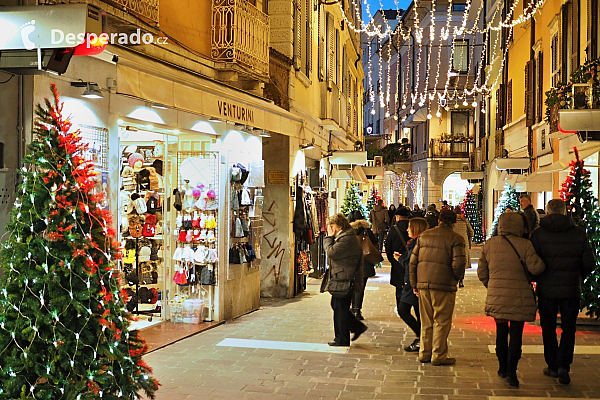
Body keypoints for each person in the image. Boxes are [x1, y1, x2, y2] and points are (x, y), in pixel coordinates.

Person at [530, 199, 595, 384]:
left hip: (547, 290)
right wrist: (577, 275)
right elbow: (590, 262)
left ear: (548, 213)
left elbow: (533, 263)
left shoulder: (538, 234)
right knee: (569, 328)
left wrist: (540, 277)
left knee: (548, 328)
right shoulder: (579, 233)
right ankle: (563, 365)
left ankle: (552, 365)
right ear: (565, 212)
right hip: (571, 289)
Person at [478, 212, 545, 387]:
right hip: (519, 297)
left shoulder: (490, 244)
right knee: (516, 335)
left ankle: (502, 368)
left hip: (498, 296)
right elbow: (536, 268)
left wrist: (493, 287)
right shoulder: (525, 245)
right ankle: (512, 373)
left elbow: (482, 273)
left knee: (501, 333)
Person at [409, 209, 466, 366]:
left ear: (439, 220)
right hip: (443, 285)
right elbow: (459, 264)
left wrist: (415, 284)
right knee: (441, 320)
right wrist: (455, 279)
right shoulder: (456, 238)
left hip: (423, 284)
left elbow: (413, 262)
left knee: (426, 320)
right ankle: (438, 355)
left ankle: (424, 353)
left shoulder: (424, 236)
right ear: (453, 223)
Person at [322, 213, 368, 347]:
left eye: (332, 226)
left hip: (345, 278)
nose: (329, 228)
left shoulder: (347, 238)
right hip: (342, 276)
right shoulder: (345, 236)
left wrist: (328, 237)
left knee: (340, 307)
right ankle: (356, 327)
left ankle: (342, 338)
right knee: (337, 305)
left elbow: (332, 252)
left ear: (339, 226)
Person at [396, 217, 429, 352]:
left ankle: (422, 337)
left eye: (410, 227)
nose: (407, 229)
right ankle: (422, 339)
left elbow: (412, 264)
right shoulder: (416, 242)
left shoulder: (418, 244)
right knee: (418, 311)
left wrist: (400, 259)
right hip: (413, 282)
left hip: (414, 282)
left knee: (403, 309)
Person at [350, 218, 378, 320]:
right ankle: (357, 309)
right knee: (360, 288)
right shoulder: (367, 231)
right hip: (365, 263)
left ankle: (352, 308)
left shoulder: (349, 232)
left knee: (352, 286)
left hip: (352, 263)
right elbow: (376, 240)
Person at [386, 208, 411, 293]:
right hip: (412, 260)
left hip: (397, 261)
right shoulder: (413, 227)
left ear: (398, 217)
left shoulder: (394, 229)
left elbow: (388, 246)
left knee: (399, 289)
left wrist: (392, 260)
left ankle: (401, 305)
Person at [453, 207, 474, 288]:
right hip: (464, 243)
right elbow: (471, 232)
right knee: (462, 262)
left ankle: (455, 279)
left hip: (454, 242)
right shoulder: (465, 221)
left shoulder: (452, 222)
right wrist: (468, 241)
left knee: (454, 261)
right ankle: (461, 280)